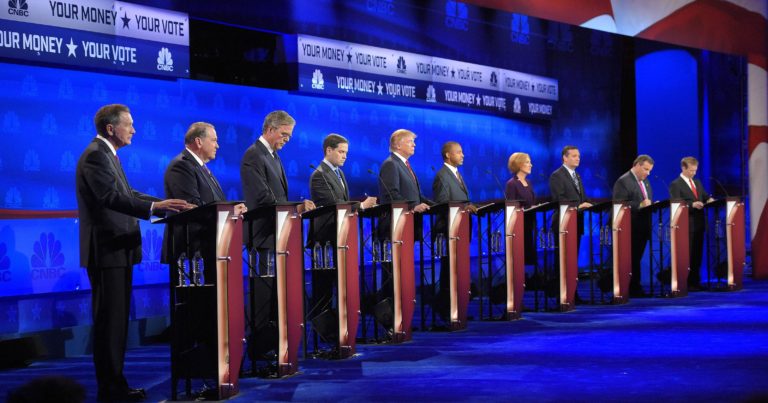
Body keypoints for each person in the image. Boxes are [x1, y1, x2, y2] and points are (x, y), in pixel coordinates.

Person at [76, 104, 192, 402]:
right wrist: (155, 207)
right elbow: (110, 197)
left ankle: (116, 386)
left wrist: (164, 204)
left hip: (118, 250)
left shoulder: (107, 155)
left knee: (116, 324)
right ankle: (111, 390)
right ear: (111, 128)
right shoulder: (95, 156)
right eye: (129, 124)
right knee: (110, 324)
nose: (134, 130)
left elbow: (127, 192)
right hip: (107, 251)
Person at [240, 110, 315, 362]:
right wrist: (296, 208)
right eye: (284, 134)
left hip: (278, 234)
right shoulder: (254, 155)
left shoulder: (273, 156)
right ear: (270, 129)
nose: (287, 139)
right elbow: (262, 198)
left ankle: (271, 346)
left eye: (289, 135)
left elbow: (277, 197)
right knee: (262, 298)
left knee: (274, 297)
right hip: (261, 236)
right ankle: (258, 351)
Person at [307, 133, 375, 326]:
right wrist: (361, 206)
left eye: (346, 152)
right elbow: (333, 205)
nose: (345, 156)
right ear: (329, 150)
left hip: (341, 237)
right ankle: (324, 326)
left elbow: (343, 203)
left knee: (342, 284)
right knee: (325, 288)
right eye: (341, 152)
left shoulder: (339, 172)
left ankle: (341, 325)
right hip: (326, 241)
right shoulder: (319, 174)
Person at [162, 122, 246, 271]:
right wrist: (229, 213)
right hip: (191, 250)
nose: (217, 146)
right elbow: (192, 207)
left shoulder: (200, 167)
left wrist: (230, 210)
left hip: (210, 244)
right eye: (214, 140)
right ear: (199, 142)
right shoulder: (181, 166)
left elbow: (214, 202)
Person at [430, 141, 476, 322]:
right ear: (448, 155)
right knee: (449, 271)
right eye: (459, 152)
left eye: (462, 152)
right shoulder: (442, 176)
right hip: (450, 231)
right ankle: (447, 310)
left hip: (462, 229)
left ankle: (459, 308)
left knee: (459, 270)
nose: (462, 155)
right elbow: (443, 204)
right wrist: (464, 208)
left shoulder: (456, 174)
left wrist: (467, 206)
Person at [669, 156, 713, 291]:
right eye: (691, 171)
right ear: (683, 168)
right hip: (686, 225)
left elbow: (704, 195)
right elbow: (675, 202)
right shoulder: (676, 184)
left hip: (699, 223)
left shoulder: (697, 183)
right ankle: (685, 282)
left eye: (695, 171)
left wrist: (709, 199)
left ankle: (695, 281)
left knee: (697, 254)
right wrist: (692, 204)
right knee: (687, 254)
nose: (693, 173)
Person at [613, 154, 655, 297]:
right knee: (632, 259)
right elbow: (619, 204)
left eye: (649, 170)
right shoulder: (623, 181)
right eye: (645, 169)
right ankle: (631, 287)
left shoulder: (646, 182)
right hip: (630, 227)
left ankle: (635, 286)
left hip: (642, 226)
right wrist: (639, 205)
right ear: (637, 165)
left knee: (636, 258)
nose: (647, 173)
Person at [504, 152, 537, 266]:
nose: (531, 165)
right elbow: (512, 208)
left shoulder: (528, 182)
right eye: (527, 162)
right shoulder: (511, 184)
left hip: (529, 224)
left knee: (529, 257)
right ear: (519, 164)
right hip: (518, 227)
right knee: (520, 259)